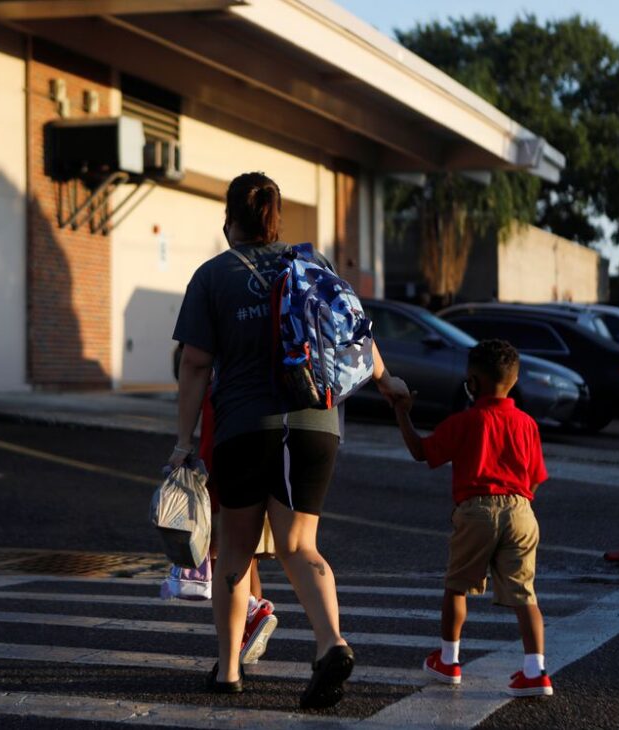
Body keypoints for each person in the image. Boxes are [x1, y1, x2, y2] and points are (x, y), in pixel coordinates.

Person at [169, 171, 408, 709]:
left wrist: (184, 439)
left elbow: (195, 362)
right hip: (314, 425)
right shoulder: (312, 264)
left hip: (243, 427)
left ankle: (229, 670)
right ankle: (331, 643)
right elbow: (355, 334)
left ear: (231, 218)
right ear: (276, 219)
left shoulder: (212, 276)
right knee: (301, 545)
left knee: (234, 549)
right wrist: (386, 381)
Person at [391, 339, 554, 698]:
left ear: (474, 382)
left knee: (457, 585)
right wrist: (518, 505)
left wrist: (402, 412)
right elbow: (535, 477)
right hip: (523, 511)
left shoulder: (465, 421)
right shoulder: (527, 424)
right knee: (525, 594)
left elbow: (421, 452)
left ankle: (449, 660)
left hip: (478, 509)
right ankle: (536, 669)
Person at [172, 343, 278, 664]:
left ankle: (249, 613)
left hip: (221, 446)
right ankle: (250, 623)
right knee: (244, 546)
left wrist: (190, 453)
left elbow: (192, 367)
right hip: (258, 435)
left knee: (220, 546)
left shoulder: (215, 360)